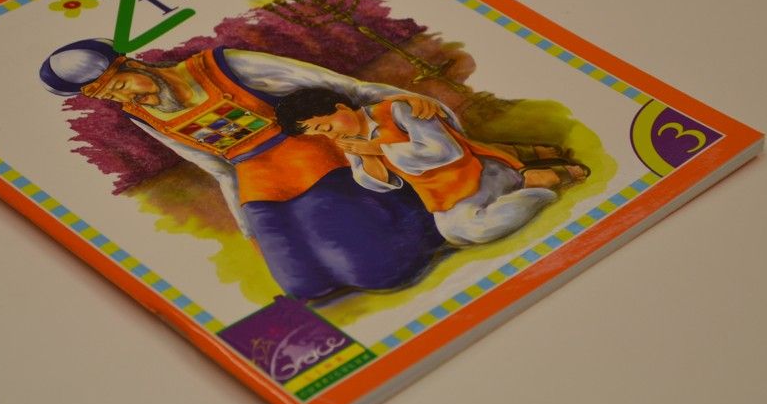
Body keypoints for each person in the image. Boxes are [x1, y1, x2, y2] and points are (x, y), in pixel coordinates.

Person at [39, 39, 450, 300]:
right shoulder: (142, 115)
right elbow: (218, 168)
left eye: (119, 84)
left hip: (314, 159)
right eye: (107, 96)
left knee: (382, 272)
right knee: (305, 285)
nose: (123, 98)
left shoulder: (221, 66)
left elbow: (341, 85)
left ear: (133, 64)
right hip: (258, 182)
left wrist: (401, 101)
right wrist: (249, 227)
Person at [275, 88, 589, 246]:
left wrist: (378, 148)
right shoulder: (350, 140)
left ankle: (536, 184)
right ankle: (527, 184)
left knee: (477, 230)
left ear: (340, 107)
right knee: (454, 234)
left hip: (476, 174)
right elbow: (374, 183)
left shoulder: (397, 110)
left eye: (326, 126)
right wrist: (368, 157)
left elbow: (444, 151)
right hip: (442, 195)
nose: (330, 135)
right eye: (319, 134)